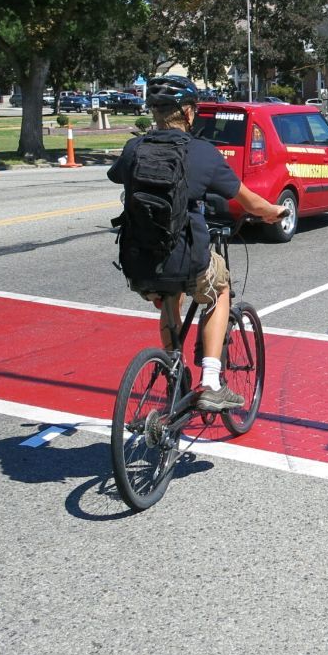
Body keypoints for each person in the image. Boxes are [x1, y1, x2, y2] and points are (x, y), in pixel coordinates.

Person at [107, 75, 286, 411]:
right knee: (220, 290)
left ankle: (174, 370)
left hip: (139, 258)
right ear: (188, 113)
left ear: (155, 112)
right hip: (186, 257)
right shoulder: (203, 153)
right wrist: (273, 211)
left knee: (169, 298)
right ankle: (210, 381)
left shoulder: (134, 148)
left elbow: (117, 175)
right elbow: (250, 203)